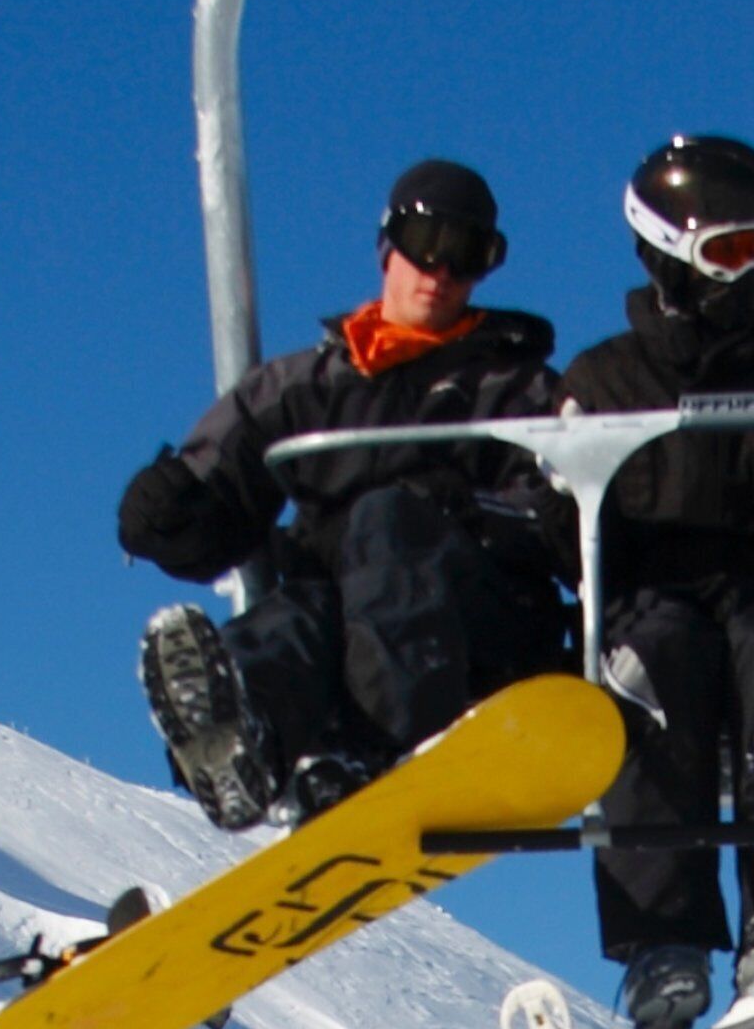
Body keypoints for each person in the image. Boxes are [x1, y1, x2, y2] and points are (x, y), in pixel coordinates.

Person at [113, 160, 571, 830]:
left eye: (468, 255)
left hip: (470, 631)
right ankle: (247, 737)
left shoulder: (515, 388)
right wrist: (171, 509)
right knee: (296, 613)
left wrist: (464, 513)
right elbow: (227, 484)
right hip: (347, 623)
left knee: (387, 527)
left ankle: (375, 748)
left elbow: (562, 509)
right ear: (388, 247)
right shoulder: (310, 385)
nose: (441, 271)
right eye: (427, 244)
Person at [555, 135, 754, 1029]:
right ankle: (666, 939)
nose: (750, 275)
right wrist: (567, 477)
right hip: (654, 592)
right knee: (652, 669)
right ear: (668, 253)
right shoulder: (605, 378)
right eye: (730, 252)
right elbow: (574, 554)